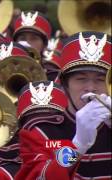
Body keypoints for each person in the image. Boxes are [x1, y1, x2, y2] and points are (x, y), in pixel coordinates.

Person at [15, 31, 111, 179]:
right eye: (81, 79)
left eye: (100, 80)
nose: (91, 88)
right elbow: (40, 176)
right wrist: (77, 147)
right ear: (65, 85)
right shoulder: (42, 131)